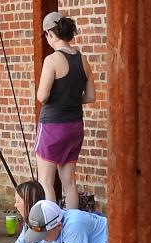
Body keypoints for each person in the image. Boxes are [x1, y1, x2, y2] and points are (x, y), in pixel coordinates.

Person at [35, 12, 93, 208]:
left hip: (53, 125)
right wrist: (71, 99)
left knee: (46, 182)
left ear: (51, 34)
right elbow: (90, 96)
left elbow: (42, 96)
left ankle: (52, 230)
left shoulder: (51, 60)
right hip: (75, 125)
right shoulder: (82, 60)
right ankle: (72, 229)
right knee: (69, 183)